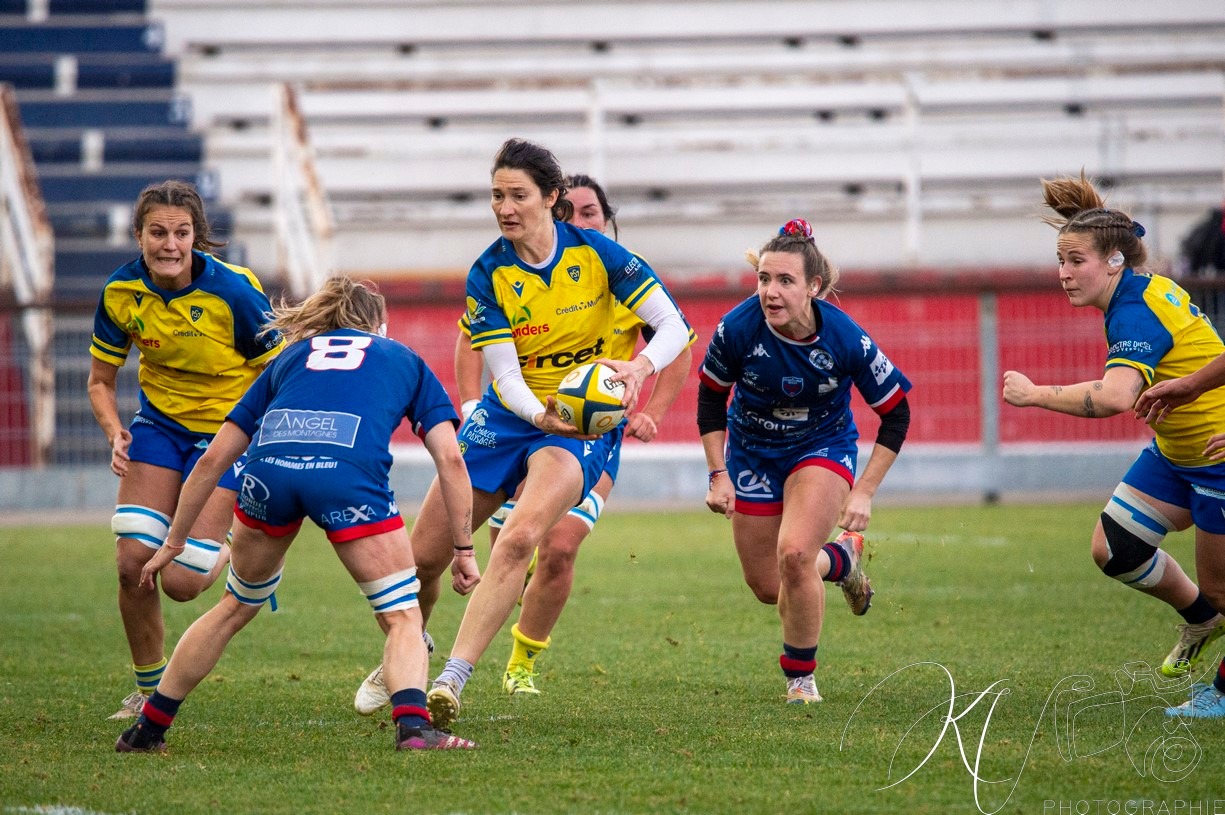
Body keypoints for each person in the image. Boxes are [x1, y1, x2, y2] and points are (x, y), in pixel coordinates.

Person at [353, 174, 695, 715]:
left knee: (521, 538)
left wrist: (639, 367)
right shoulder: (489, 271)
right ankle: (410, 645)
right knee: (420, 562)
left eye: (518, 196)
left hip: (582, 427)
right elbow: (506, 377)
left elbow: (673, 326)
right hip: (512, 413)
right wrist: (540, 415)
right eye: (497, 196)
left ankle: (451, 681)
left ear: (549, 200)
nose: (505, 208)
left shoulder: (601, 256)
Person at [114, 277, 478, 753]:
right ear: (379, 325)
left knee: (233, 608)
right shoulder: (402, 358)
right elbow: (450, 459)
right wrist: (464, 548)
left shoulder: (289, 358)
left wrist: (175, 542)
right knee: (403, 614)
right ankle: (414, 728)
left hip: (269, 474)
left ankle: (148, 729)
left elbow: (213, 460)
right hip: (345, 476)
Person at [1002, 171, 1225, 720]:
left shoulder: (1133, 309)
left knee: (1223, 590)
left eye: (1076, 261)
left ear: (1115, 261)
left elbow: (1113, 398)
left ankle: (1220, 693)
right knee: (1114, 547)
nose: (1064, 274)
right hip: (1176, 455)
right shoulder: (1139, 287)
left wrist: (1035, 395)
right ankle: (1202, 618)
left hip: (1218, 462)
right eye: (1061, 261)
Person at [87, 180, 285, 720]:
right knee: (132, 563)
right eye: (157, 233)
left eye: (181, 233)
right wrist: (114, 431)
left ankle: (240, 552)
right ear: (139, 235)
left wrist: (263, 438)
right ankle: (148, 689)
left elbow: (280, 372)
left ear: (197, 236)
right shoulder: (121, 292)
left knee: (181, 581)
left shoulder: (236, 292)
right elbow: (100, 381)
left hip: (229, 432)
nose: (169, 245)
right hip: (159, 426)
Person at [698, 218, 912, 704]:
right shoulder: (736, 327)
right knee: (770, 586)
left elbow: (896, 413)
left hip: (822, 447)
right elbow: (710, 400)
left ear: (814, 287)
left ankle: (801, 681)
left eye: (785, 281)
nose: (770, 292)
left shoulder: (845, 338)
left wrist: (864, 491)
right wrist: (718, 473)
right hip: (752, 452)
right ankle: (841, 559)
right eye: (764, 279)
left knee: (794, 555)